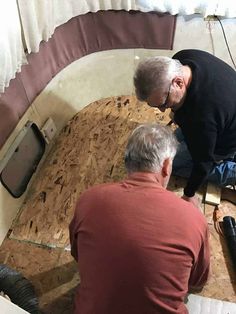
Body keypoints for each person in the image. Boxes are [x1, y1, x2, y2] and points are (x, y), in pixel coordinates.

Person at [69, 123, 210, 314]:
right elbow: (197, 280)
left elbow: (78, 254)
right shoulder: (193, 218)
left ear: (127, 161)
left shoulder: (89, 200)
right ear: (167, 166)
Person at [134, 49, 236, 208]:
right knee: (170, 150)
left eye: (164, 104)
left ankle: (232, 171)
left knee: (175, 165)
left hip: (227, 138)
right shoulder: (182, 59)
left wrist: (189, 194)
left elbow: (203, 163)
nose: (162, 111)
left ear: (178, 83)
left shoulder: (202, 118)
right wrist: (176, 110)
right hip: (225, 114)